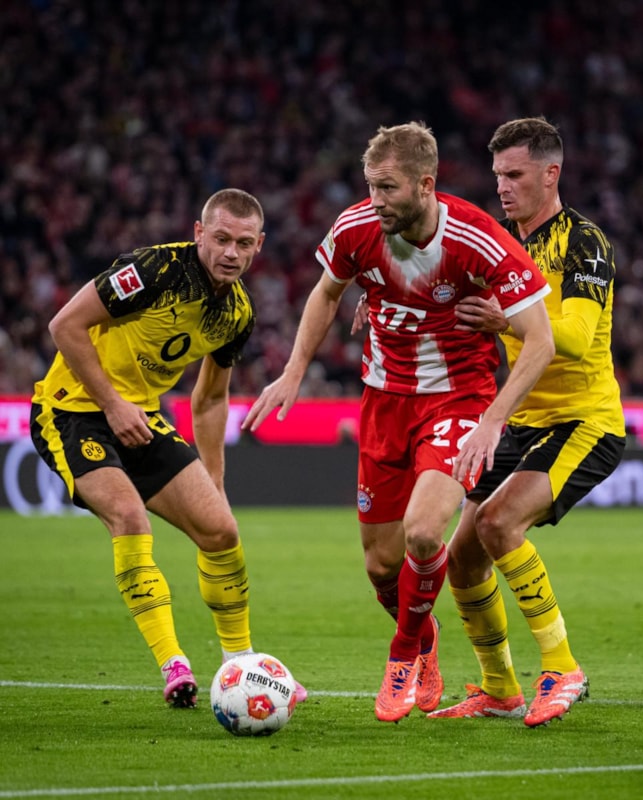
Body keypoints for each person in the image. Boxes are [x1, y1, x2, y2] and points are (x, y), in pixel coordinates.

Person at [241, 122, 555, 722]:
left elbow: (540, 341)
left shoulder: (477, 239)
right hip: (384, 403)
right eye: (370, 186)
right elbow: (326, 293)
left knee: (424, 534)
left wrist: (492, 421)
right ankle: (427, 639)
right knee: (382, 565)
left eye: (387, 188)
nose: (375, 199)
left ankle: (403, 654)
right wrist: (293, 371)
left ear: (425, 185)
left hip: (457, 401)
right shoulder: (356, 227)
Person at [30, 188, 306, 708]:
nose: (231, 252)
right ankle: (173, 663)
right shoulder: (154, 270)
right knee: (129, 516)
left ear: (259, 245)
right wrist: (112, 404)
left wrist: (215, 481)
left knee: (221, 530)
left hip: (142, 417)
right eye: (221, 238)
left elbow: (211, 398)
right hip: (72, 411)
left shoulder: (237, 313)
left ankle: (240, 665)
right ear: (199, 233)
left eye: (243, 243)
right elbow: (64, 325)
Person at [425, 116, 626, 726]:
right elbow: (443, 289)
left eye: (514, 175)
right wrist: (380, 303)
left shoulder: (584, 242)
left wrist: (504, 320)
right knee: (460, 556)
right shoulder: (499, 244)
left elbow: (576, 337)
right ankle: (499, 688)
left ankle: (562, 668)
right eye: (497, 175)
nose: (502, 187)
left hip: (583, 422)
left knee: (498, 521)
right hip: (519, 421)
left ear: (550, 174)